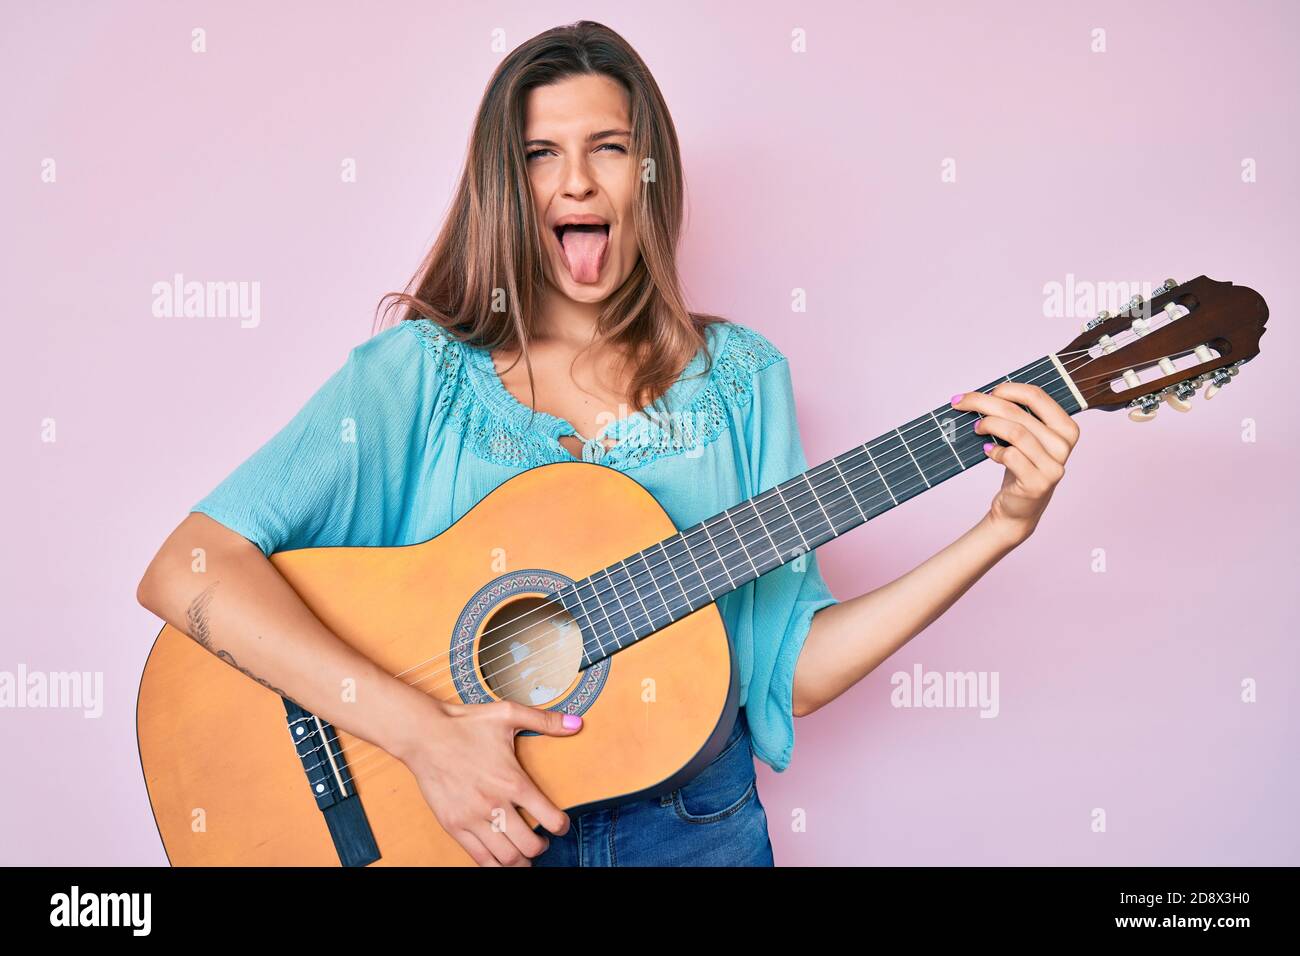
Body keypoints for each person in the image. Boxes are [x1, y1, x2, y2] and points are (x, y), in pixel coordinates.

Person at [135, 20, 1079, 867]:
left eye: (609, 148)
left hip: (696, 834)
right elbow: (186, 567)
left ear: (649, 174)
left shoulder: (744, 380)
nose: (577, 179)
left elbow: (789, 670)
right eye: (541, 153)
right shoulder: (417, 376)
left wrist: (998, 529)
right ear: (508, 184)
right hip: (463, 832)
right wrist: (425, 738)